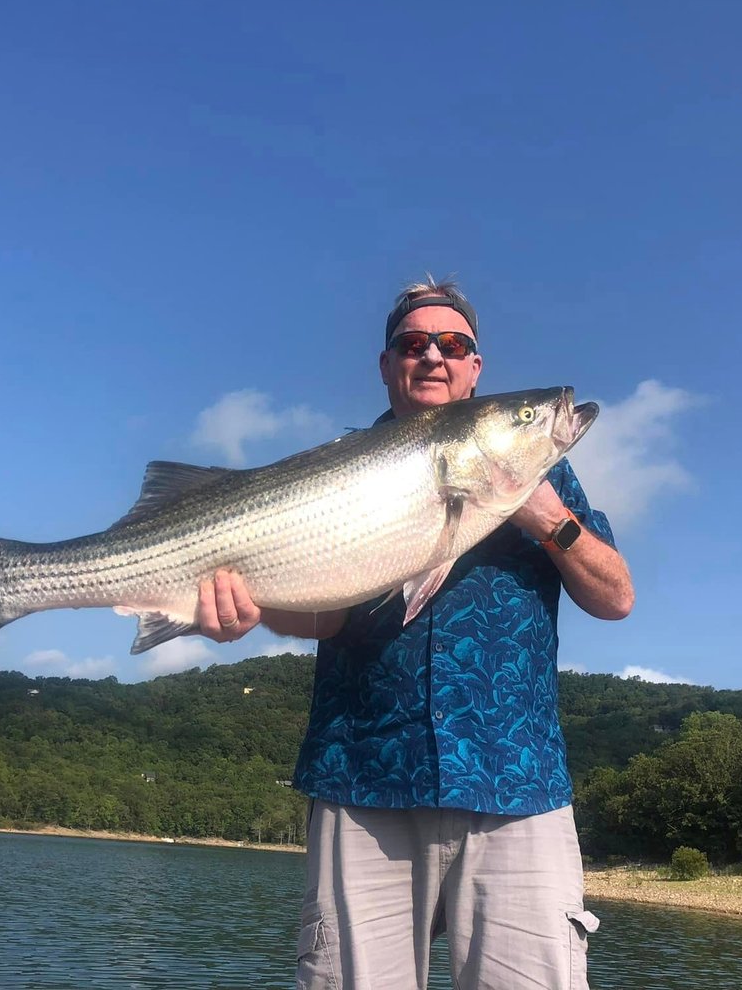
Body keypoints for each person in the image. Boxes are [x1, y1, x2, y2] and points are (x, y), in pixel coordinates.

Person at [195, 277, 633, 989]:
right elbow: (323, 616)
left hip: (514, 784)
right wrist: (248, 611)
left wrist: (546, 517)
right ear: (386, 363)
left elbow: (615, 598)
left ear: (474, 368)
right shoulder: (337, 468)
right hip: (362, 778)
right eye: (413, 343)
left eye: (452, 344)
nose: (433, 355)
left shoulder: (552, 475)